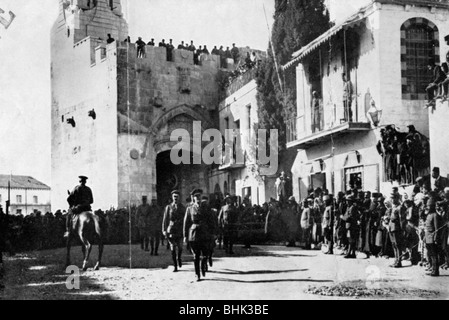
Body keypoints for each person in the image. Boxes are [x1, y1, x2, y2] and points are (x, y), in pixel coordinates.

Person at [184, 189, 215, 282]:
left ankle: (204, 264)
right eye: (196, 197)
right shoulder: (189, 208)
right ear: (193, 198)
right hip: (194, 235)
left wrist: (213, 233)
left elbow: (211, 221)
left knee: (205, 254)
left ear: (201, 197)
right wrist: (185, 236)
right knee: (196, 256)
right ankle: (197, 274)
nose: (198, 198)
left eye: (199, 197)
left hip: (205, 233)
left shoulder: (206, 207)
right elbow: (186, 223)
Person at [162, 190, 186, 272]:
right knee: (172, 248)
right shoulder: (168, 207)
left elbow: (185, 220)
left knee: (180, 247)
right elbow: (165, 220)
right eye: (174, 196)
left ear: (179, 198)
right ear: (172, 197)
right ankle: (175, 265)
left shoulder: (183, 207)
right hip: (171, 229)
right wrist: (164, 230)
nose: (176, 198)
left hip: (179, 230)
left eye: (177, 197)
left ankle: (179, 257)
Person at [425, 198, 442, 276]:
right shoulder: (428, 215)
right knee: (430, 254)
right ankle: (432, 268)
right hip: (427, 236)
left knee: (434, 254)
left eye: (429, 206)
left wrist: (435, 237)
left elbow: (436, 228)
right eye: (427, 206)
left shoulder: (435, 215)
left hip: (432, 237)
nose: (428, 207)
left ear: (432, 206)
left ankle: (435, 271)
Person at [388, 193, 403, 268]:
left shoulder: (400, 207)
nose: (392, 200)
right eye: (392, 198)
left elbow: (401, 220)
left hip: (397, 228)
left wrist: (402, 229)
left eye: (394, 198)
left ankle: (399, 261)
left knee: (398, 245)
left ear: (397, 198)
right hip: (391, 228)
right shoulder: (393, 207)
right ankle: (396, 260)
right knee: (394, 245)